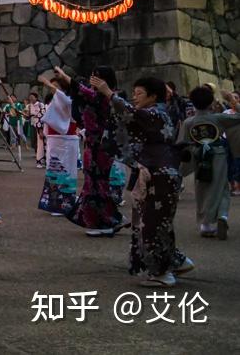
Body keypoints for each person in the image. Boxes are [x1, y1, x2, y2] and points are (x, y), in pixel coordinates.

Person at [90, 75, 194, 287]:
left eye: (139, 94)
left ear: (153, 96)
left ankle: (162, 273)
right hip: (159, 172)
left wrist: (108, 93)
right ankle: (176, 261)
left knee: (152, 224)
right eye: (134, 93)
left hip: (159, 174)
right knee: (158, 223)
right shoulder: (160, 113)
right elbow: (132, 116)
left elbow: (131, 114)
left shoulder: (155, 113)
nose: (135, 98)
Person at [66, 66, 125, 237]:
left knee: (97, 185)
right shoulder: (97, 96)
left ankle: (103, 221)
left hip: (101, 147)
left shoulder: (105, 97)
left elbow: (82, 91)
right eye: (92, 76)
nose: (93, 80)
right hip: (93, 145)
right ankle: (108, 218)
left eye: (97, 77)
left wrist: (65, 77)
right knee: (94, 183)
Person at [178, 86, 240, 240]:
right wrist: (231, 100)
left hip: (199, 156)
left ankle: (205, 224)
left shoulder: (189, 122)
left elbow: (182, 144)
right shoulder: (218, 118)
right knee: (222, 187)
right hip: (218, 154)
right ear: (211, 102)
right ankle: (223, 216)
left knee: (202, 188)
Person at [36, 68, 80, 217]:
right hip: (56, 140)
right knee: (54, 170)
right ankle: (55, 202)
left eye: (57, 87)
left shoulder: (70, 99)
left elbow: (62, 97)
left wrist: (47, 83)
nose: (54, 90)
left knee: (65, 171)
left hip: (66, 139)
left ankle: (64, 202)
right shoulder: (57, 100)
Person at [24, 91, 46, 164]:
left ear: (36, 97)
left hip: (40, 124)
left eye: (32, 97)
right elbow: (27, 115)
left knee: (40, 139)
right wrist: (25, 115)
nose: (31, 98)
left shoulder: (40, 104)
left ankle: (41, 154)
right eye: (30, 97)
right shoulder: (29, 106)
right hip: (32, 123)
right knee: (33, 138)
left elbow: (43, 113)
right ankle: (37, 152)